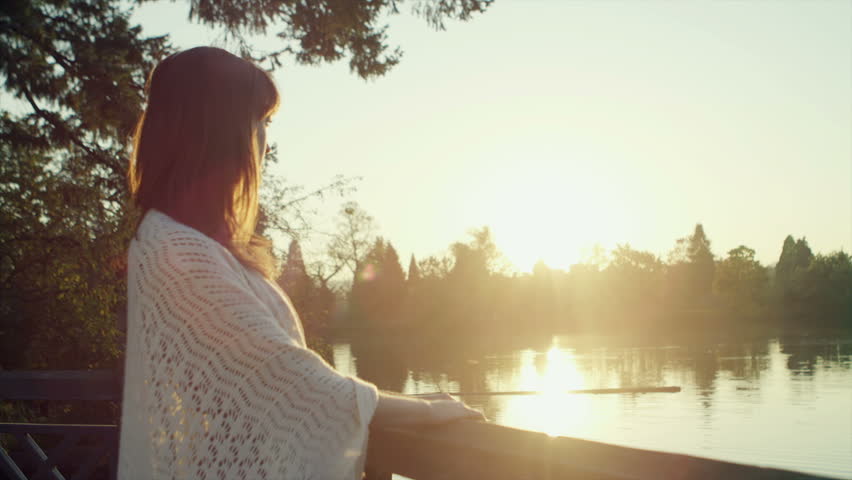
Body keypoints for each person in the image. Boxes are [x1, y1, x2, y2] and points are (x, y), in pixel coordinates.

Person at [119, 46, 483, 479]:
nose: (264, 141)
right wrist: (426, 410)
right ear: (218, 129)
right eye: (262, 121)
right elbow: (295, 383)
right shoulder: (176, 250)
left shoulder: (199, 245)